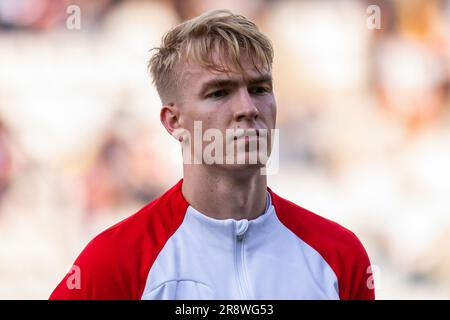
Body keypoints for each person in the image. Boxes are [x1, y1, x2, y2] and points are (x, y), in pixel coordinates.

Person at [50, 9, 375, 300]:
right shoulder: (114, 262)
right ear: (174, 121)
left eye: (260, 89)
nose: (248, 108)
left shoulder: (339, 255)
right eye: (219, 92)